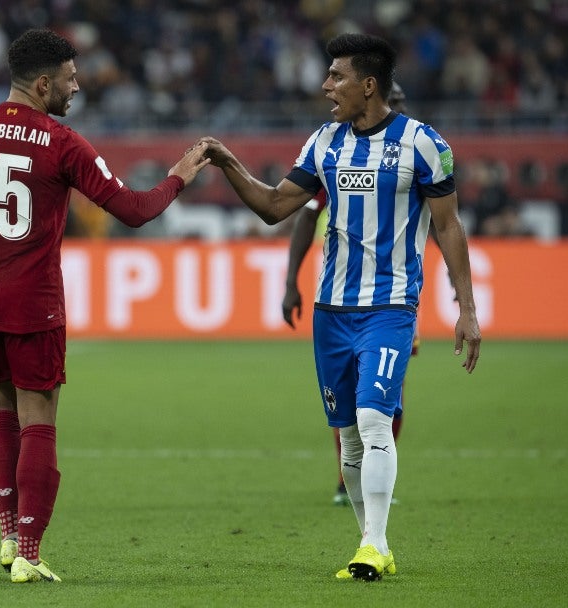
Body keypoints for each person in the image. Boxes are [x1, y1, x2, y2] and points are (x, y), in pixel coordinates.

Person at [0, 28, 209, 584]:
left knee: (2, 412)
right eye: (71, 79)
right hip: (32, 303)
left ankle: (6, 534)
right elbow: (136, 210)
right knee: (39, 420)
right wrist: (179, 176)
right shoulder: (61, 143)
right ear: (43, 83)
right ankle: (28, 550)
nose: (77, 89)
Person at [201, 33, 480, 581]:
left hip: (390, 306)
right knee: (349, 435)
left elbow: (448, 225)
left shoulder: (423, 144)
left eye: (337, 77)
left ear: (368, 85)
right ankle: (369, 539)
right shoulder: (324, 142)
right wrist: (229, 162)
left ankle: (374, 544)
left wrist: (465, 307)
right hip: (332, 313)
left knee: (377, 418)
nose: (326, 86)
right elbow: (278, 206)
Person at [281, 82, 413, 507]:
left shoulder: (414, 151)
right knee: (353, 399)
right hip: (342, 293)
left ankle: (373, 480)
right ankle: (348, 479)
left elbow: (446, 224)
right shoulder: (336, 155)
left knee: (388, 394)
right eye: (394, 99)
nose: (398, 107)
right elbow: (304, 216)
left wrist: (456, 289)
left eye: (402, 101)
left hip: (395, 293)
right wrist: (290, 283)